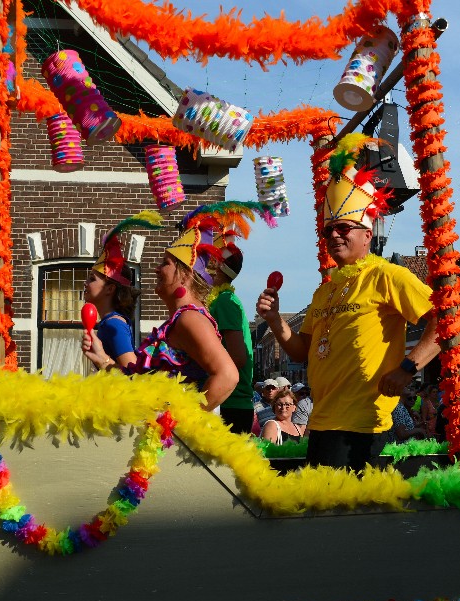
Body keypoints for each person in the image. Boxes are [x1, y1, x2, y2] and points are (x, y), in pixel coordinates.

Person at [256, 135, 440, 471]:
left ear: (367, 234)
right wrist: (274, 321)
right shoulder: (324, 291)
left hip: (362, 424)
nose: (335, 236)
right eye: (328, 231)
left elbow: (446, 321)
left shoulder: (388, 275)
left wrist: (407, 369)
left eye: (344, 228)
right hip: (322, 420)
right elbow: (301, 351)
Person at [83, 206, 238, 411]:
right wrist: (102, 359)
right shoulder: (179, 320)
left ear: (185, 275)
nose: (156, 268)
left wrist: (182, 422)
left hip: (171, 441)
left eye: (165, 263)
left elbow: (228, 376)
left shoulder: (189, 318)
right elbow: (141, 386)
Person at [84, 211, 162, 369]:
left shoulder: (114, 324)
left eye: (92, 279)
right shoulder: (111, 321)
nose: (85, 283)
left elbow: (132, 375)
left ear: (110, 289)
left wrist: (103, 360)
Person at [208, 232, 255, 433]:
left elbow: (237, 357)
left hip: (229, 404)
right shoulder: (221, 299)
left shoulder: (226, 301)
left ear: (216, 266)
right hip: (227, 401)